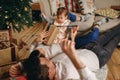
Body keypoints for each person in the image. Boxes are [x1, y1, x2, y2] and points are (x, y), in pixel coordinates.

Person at [9, 24, 120, 80]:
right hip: (100, 56)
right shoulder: (67, 76)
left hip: (88, 47)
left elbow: (39, 55)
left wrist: (21, 66)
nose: (48, 58)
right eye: (48, 62)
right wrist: (73, 57)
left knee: (111, 32)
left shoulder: (41, 68)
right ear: (50, 73)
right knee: (116, 38)